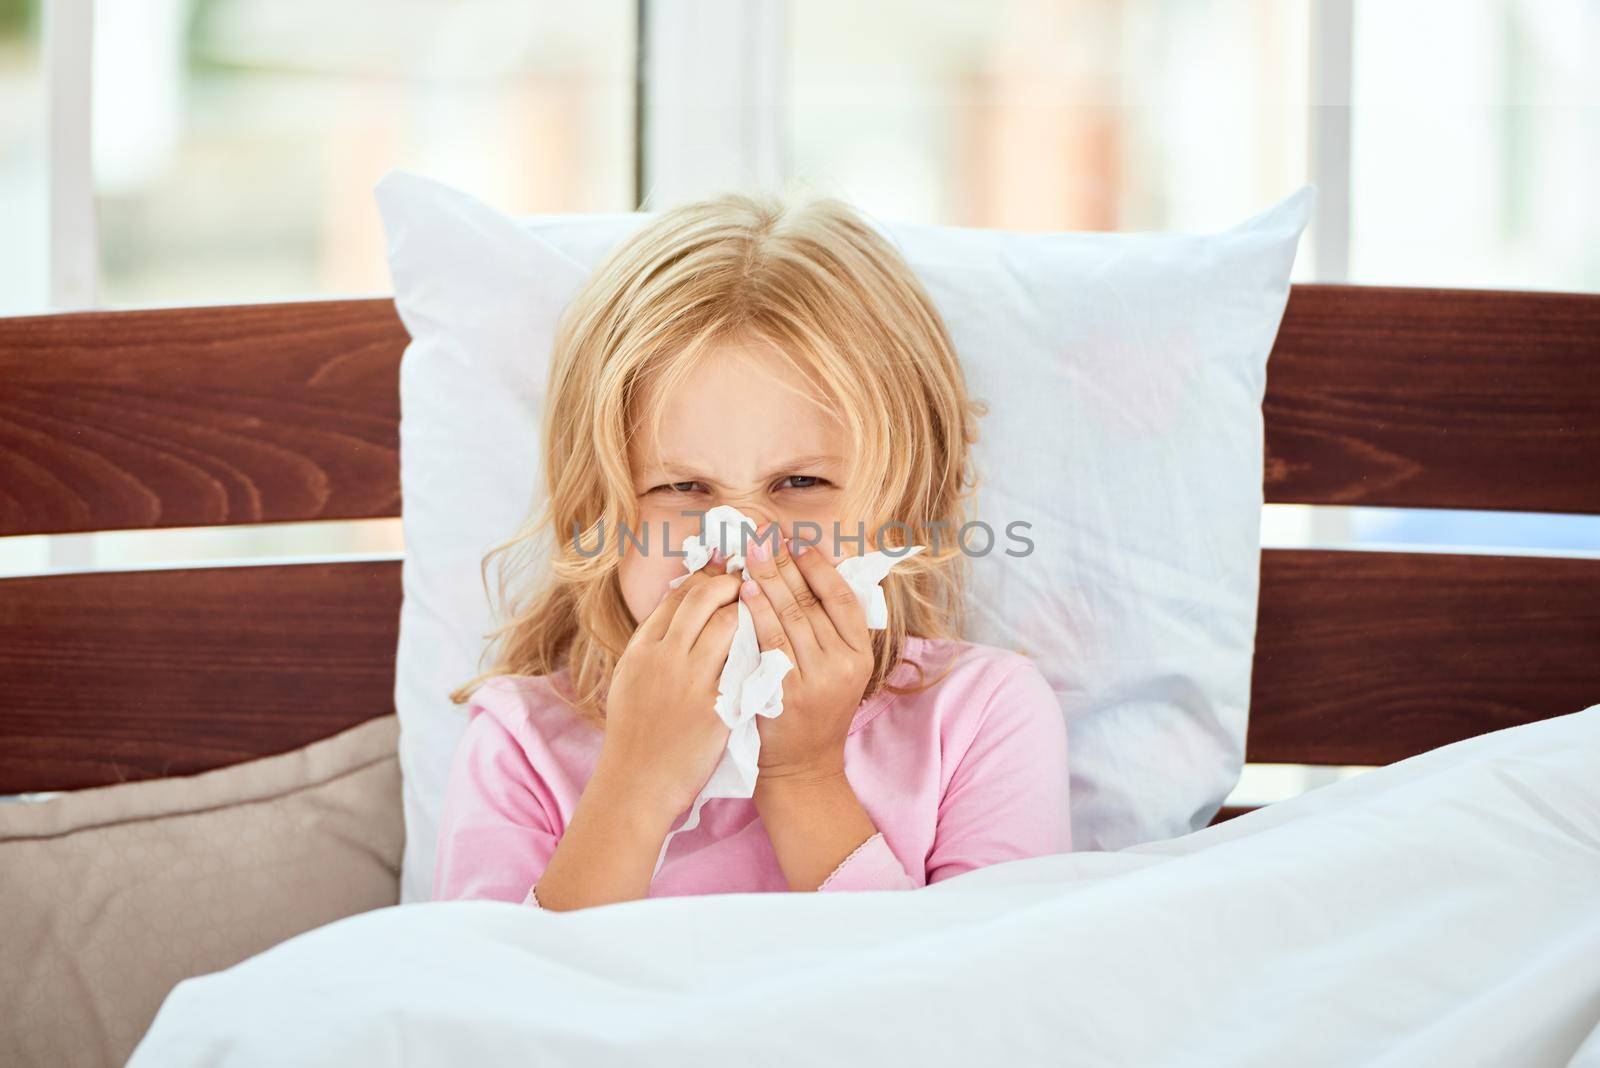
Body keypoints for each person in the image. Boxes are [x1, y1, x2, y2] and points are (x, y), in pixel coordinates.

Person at [433, 189, 1070, 911]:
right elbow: (499, 1004)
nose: (742, 543)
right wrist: (635, 787)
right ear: (597, 511)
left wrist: (801, 776)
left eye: (800, 482)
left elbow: (974, 1004)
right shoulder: (521, 745)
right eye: (683, 487)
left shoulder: (981, 718)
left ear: (904, 507)